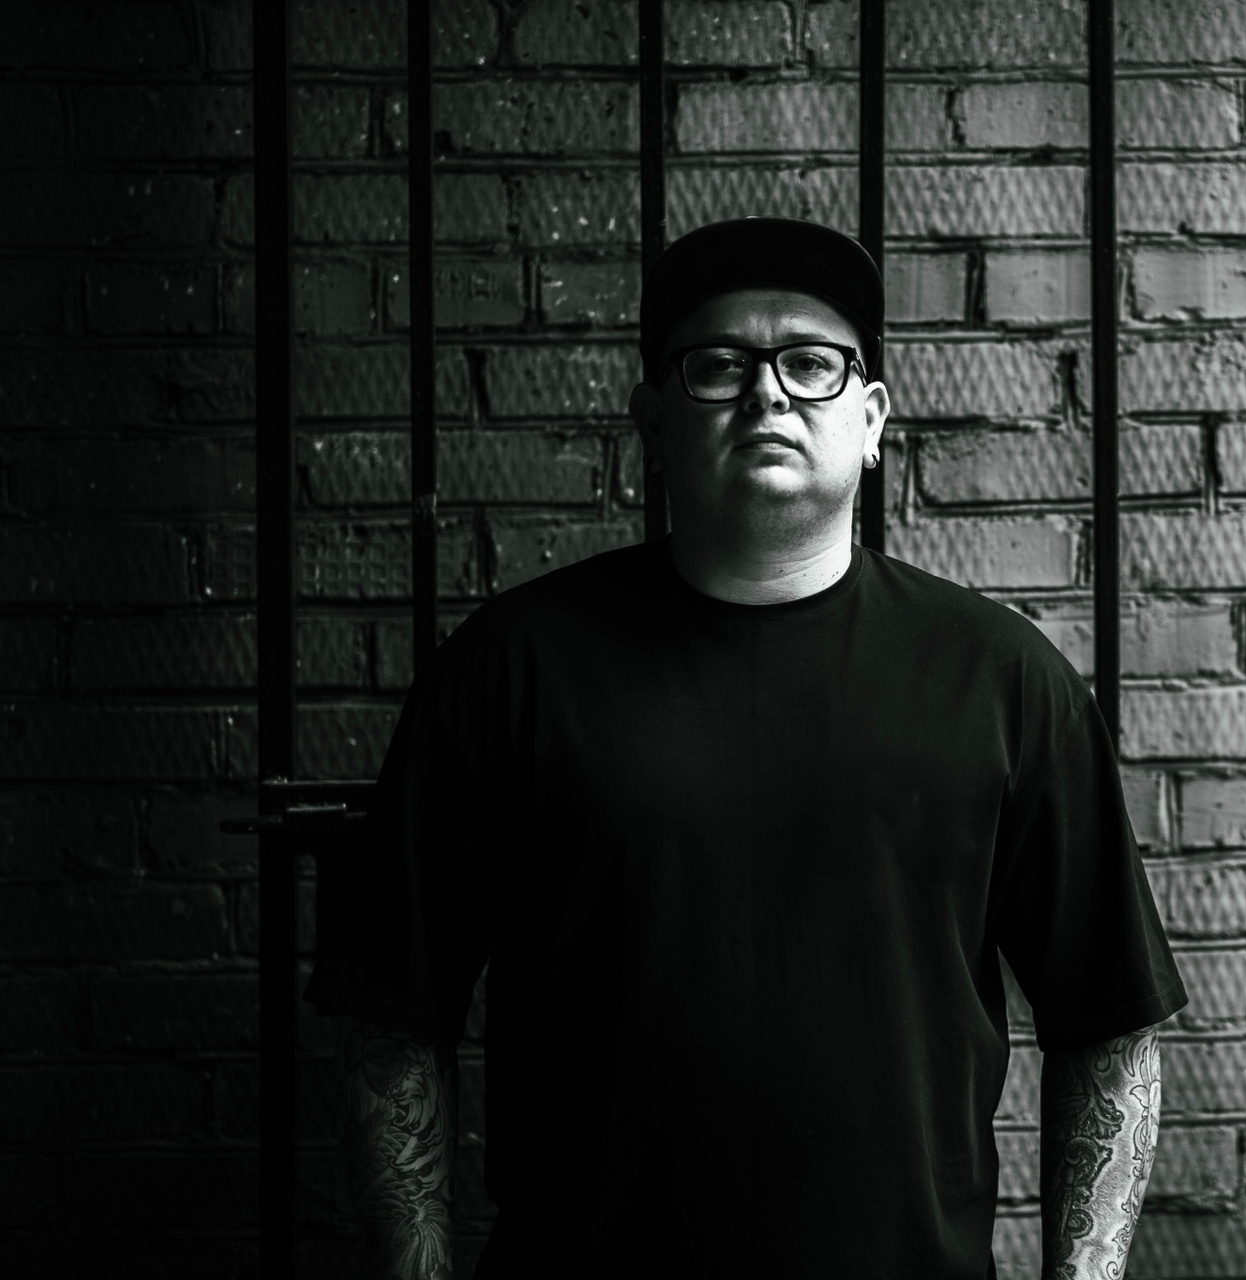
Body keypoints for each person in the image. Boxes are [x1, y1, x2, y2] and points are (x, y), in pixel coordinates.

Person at [303, 217, 1189, 1279]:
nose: (768, 393)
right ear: (653, 420)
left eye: (811, 364)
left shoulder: (1004, 679)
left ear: (871, 420)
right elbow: (393, 1021)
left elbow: (1110, 1027)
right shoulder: (510, 669)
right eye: (719, 365)